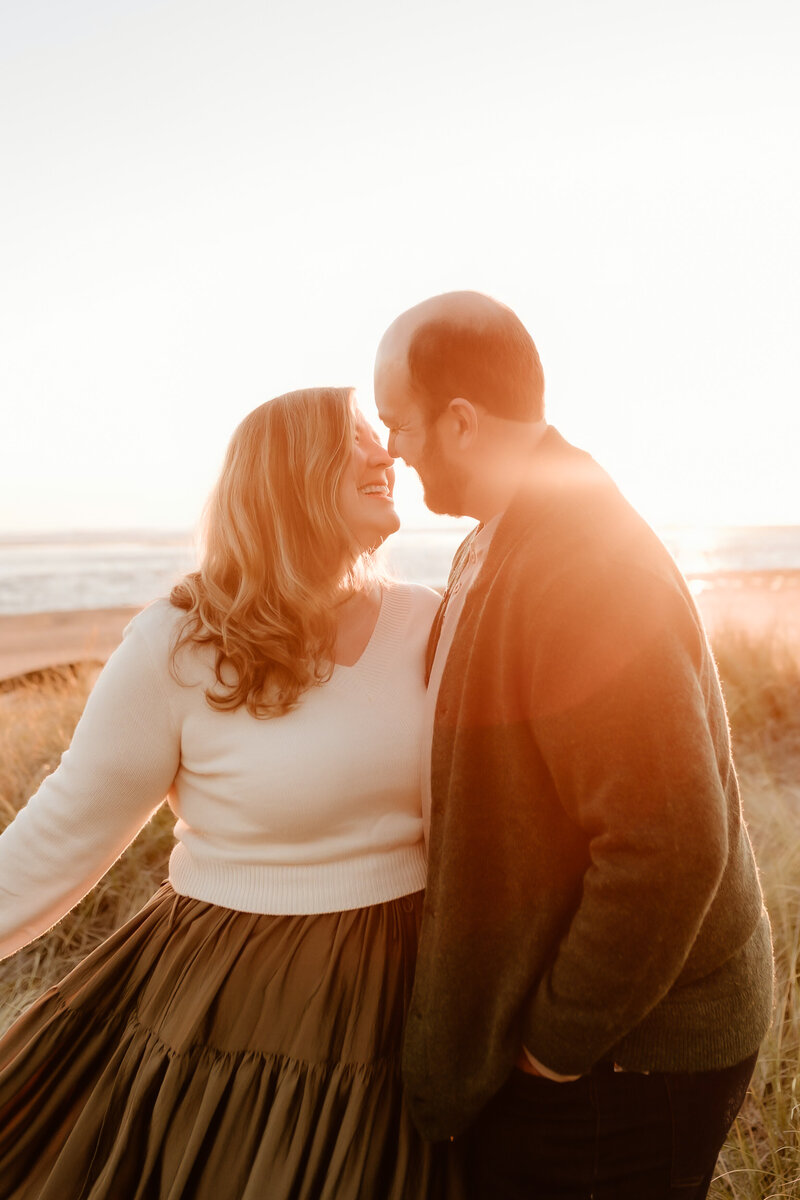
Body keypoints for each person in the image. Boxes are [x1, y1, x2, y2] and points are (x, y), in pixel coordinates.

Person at [0, 387, 462, 1199]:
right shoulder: (177, 642)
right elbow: (58, 836)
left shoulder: (431, 620)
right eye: (357, 440)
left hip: (412, 999)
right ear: (290, 473)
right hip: (238, 999)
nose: (388, 453)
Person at [374, 292, 774, 1200]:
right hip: (604, 1053)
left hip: (626, 1064)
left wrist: (552, 1045)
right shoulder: (502, 532)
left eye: (400, 425)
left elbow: (668, 846)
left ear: (462, 421)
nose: (392, 450)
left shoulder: (581, 567)